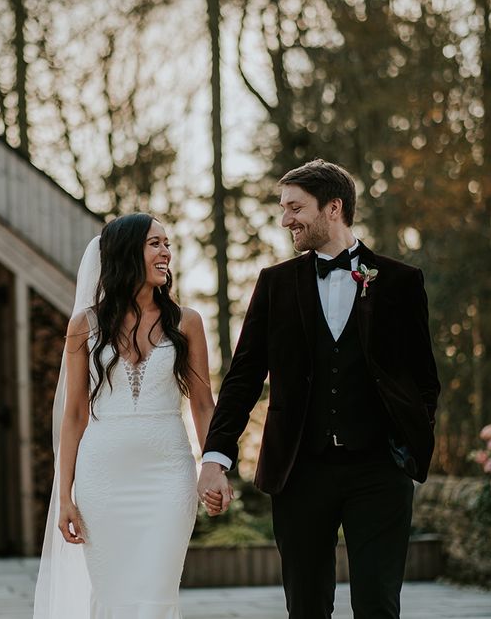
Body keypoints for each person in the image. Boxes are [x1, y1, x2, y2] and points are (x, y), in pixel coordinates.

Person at [198, 159, 441, 619]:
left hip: (379, 471)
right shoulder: (275, 284)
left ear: (334, 208)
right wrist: (216, 457)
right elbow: (243, 378)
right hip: (299, 469)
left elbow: (424, 378)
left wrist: (409, 441)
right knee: (306, 607)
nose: (285, 218)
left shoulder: (400, 282)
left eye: (295, 207)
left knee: (377, 605)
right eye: (283, 208)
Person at [33, 213, 216, 619]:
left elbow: (203, 404)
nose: (166, 252)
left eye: (167, 243)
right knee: (113, 598)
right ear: (126, 252)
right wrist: (65, 496)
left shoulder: (187, 322)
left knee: (157, 596)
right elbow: (74, 414)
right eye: (155, 243)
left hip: (168, 477)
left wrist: (214, 465)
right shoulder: (84, 325)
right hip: (102, 481)